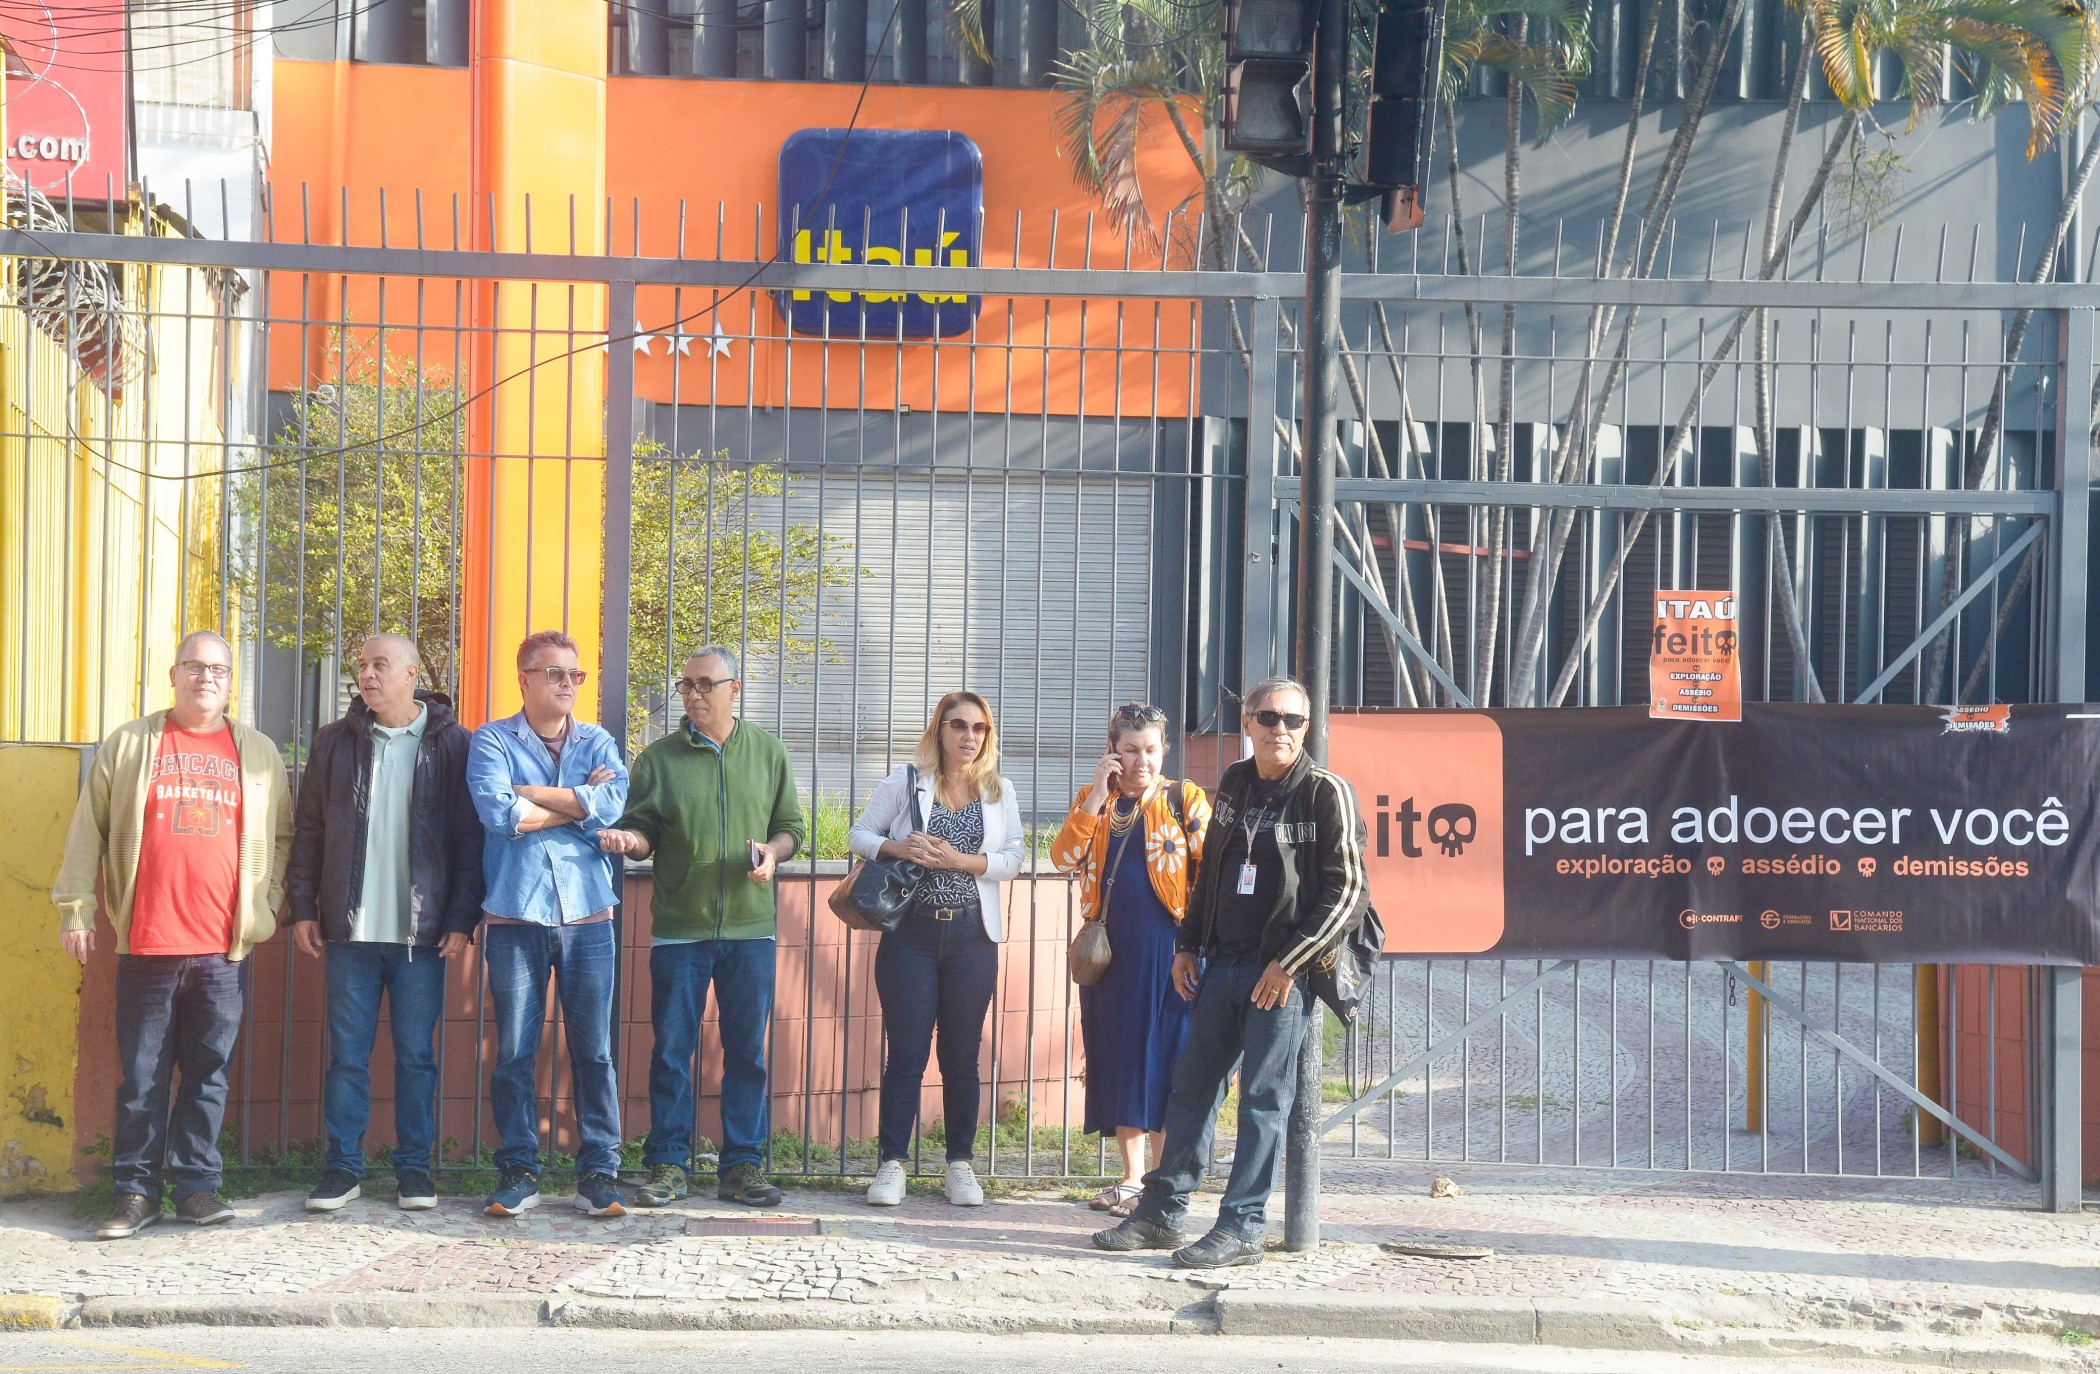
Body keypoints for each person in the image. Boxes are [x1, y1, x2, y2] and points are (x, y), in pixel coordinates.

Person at [1092, 676, 1367, 1269]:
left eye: (1293, 720)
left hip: (1281, 978)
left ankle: (1242, 1227)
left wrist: (1288, 965)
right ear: (1247, 723)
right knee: (1190, 1090)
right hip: (1221, 965)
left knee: (1262, 1101)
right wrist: (1188, 945)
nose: (1280, 729)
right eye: (1268, 717)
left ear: (1307, 727)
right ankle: (1162, 1213)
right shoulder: (1237, 783)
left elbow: (1347, 891)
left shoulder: (1325, 793)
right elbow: (1211, 869)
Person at [52, 629, 294, 1241]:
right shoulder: (131, 743)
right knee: (142, 1079)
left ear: (231, 681)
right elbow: (88, 831)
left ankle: (196, 1190)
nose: (205, 677)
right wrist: (76, 910)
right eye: (194, 666)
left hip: (222, 950)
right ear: (174, 674)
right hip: (149, 943)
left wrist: (265, 903)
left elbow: (282, 836)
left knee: (209, 1076)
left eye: (217, 669)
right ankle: (136, 1193)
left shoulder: (258, 751)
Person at [596, 646, 807, 1209]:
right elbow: (641, 831)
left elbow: (790, 827)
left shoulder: (768, 753)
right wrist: (630, 841)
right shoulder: (657, 760)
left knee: (747, 1054)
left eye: (705, 684)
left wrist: (773, 852)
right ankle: (668, 1164)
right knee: (672, 1051)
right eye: (686, 684)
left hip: (751, 929)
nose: (693, 694)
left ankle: (742, 1167)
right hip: (679, 931)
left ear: (734, 689)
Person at [285, 634, 483, 1213]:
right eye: (361, 665)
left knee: (416, 1057)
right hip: (350, 932)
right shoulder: (334, 741)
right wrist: (303, 908)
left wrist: (461, 918)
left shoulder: (454, 744)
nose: (366, 675)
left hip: (422, 936)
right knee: (347, 1056)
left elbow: (470, 840)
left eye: (380, 665)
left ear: (412, 673)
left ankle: (414, 1170)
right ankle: (342, 1168)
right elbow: (310, 830)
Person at [466, 629, 629, 1220]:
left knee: (594, 1051)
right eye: (554, 673)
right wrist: (578, 802)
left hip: (589, 914)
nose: (567, 684)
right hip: (516, 914)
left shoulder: (599, 740)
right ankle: (519, 1169)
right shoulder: (491, 739)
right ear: (525, 679)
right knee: (514, 1050)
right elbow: (497, 813)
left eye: (574, 675)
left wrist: (534, 795)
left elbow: (613, 807)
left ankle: (599, 1172)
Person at [849, 690, 1025, 1208]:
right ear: (940, 730)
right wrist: (897, 846)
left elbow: (1013, 858)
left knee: (961, 1057)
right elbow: (860, 835)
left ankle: (959, 1165)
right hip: (911, 936)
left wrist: (959, 861)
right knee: (906, 1053)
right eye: (959, 725)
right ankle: (892, 1164)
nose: (970, 736)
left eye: (979, 728)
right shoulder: (907, 782)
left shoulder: (999, 791)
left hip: (972, 936)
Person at [1052, 703, 1210, 1217]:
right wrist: (1097, 796)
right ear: (1112, 752)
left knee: (1165, 1058)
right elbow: (1063, 858)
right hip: (1110, 954)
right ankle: (1131, 1178)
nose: (1142, 760)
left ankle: (1161, 1182)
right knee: (1120, 1056)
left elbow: (1211, 871)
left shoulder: (1184, 799)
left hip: (1170, 949)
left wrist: (1201, 943)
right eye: (1130, 750)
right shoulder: (1093, 801)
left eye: (1151, 749)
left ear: (1164, 750)